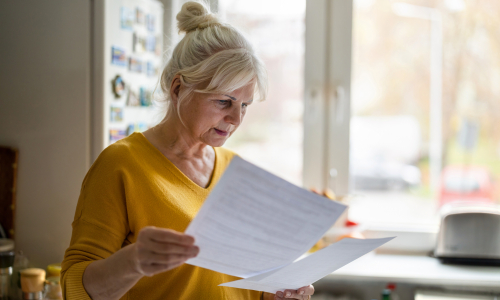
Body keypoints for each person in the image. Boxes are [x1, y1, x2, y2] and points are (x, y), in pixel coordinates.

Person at [61, 2, 315, 300]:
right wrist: (134, 262)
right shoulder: (122, 164)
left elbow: (239, 284)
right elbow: (74, 288)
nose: (236, 119)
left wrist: (274, 294)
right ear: (178, 88)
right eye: (224, 101)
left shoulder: (236, 169)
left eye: (244, 105)